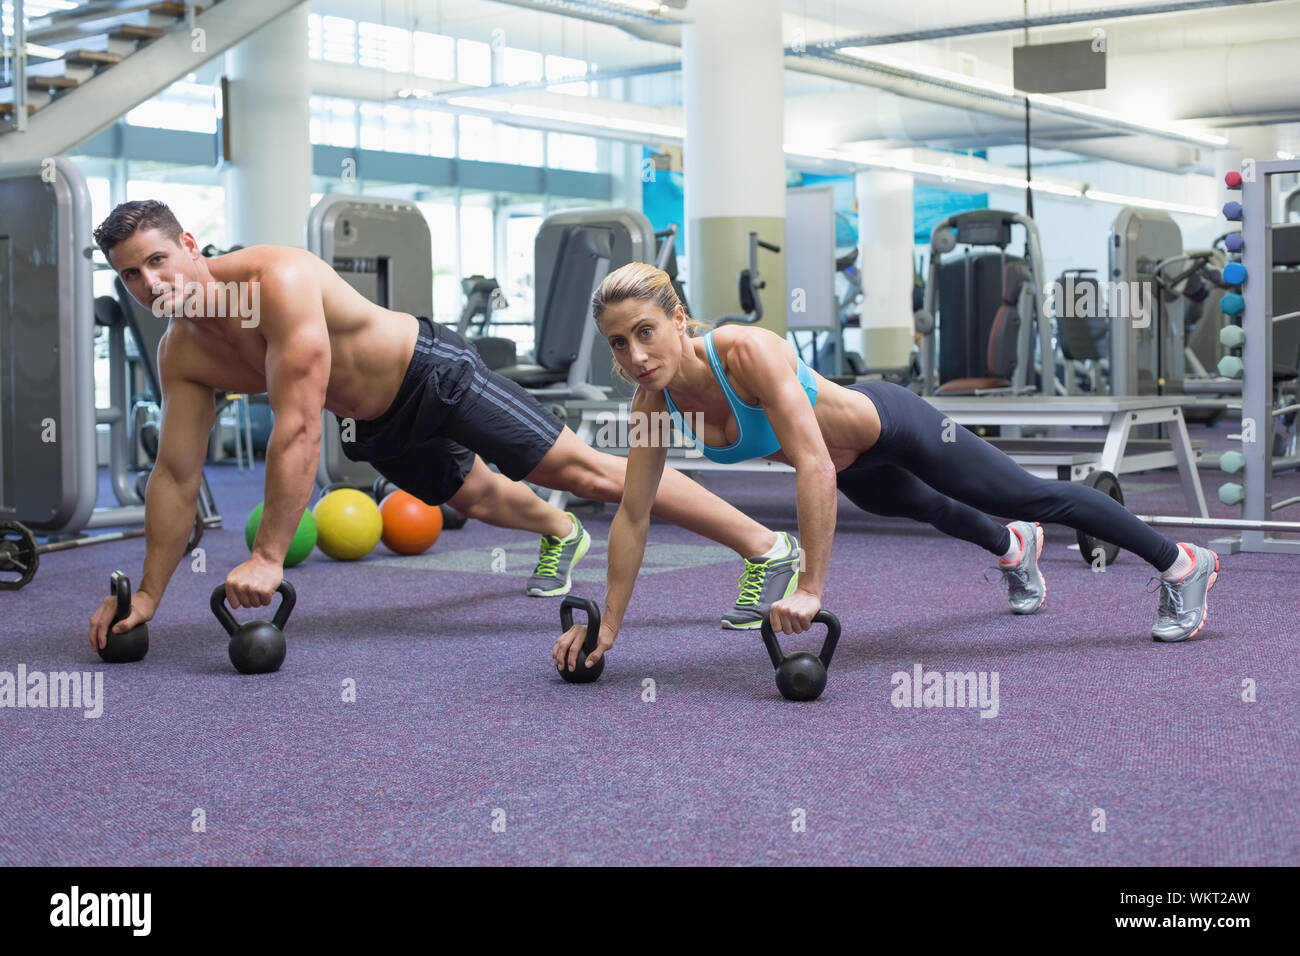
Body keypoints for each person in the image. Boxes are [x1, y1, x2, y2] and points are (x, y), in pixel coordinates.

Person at [87, 201, 801, 652]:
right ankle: (560, 533)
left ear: (189, 245)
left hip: (433, 373)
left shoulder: (280, 281)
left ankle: (766, 546)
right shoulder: (183, 353)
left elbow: (299, 428)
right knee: (477, 499)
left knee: (582, 472)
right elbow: (178, 474)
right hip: (374, 420)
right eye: (131, 276)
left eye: (158, 260)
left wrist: (270, 553)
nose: (152, 285)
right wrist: (149, 593)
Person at [553, 262, 1219, 675]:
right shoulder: (651, 402)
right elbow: (635, 512)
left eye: (645, 331)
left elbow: (811, 460)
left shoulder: (746, 352)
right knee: (933, 510)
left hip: (891, 423)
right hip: (855, 467)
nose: (635, 355)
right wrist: (609, 627)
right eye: (619, 342)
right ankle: (1014, 550)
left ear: (678, 320)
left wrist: (810, 586)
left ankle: (1183, 563)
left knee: (1030, 494)